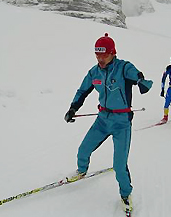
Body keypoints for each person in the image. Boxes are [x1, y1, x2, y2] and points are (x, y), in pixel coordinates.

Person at [64, 33, 153, 213]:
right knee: (83, 149)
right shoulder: (94, 72)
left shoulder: (123, 68)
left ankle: (126, 194)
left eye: (104, 55)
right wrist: (73, 108)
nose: (100, 58)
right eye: (97, 55)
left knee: (119, 166)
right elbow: (82, 90)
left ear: (113, 53)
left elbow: (137, 76)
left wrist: (142, 81)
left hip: (121, 123)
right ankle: (82, 171)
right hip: (102, 120)